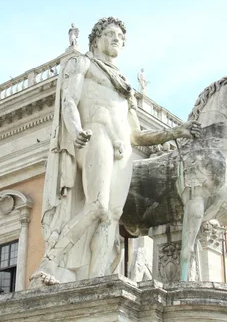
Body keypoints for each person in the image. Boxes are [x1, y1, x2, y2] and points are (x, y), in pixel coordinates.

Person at [30, 17, 201, 287]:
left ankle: (97, 280)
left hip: (123, 148)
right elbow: (69, 102)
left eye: (120, 37)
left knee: (111, 215)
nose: (116, 40)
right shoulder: (82, 64)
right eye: (110, 34)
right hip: (95, 133)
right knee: (97, 205)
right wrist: (75, 131)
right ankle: (51, 258)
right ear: (95, 39)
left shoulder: (124, 86)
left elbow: (138, 135)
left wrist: (175, 132)